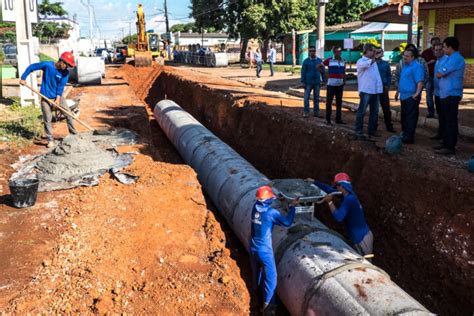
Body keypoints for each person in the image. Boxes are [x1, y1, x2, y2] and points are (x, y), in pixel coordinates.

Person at [250, 185, 299, 314]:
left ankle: (256, 297)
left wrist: (280, 200)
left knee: (257, 273)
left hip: (253, 247)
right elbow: (287, 222)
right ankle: (268, 308)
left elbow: (266, 202)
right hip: (264, 251)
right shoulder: (271, 213)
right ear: (268, 200)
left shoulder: (255, 207)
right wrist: (293, 207)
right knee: (271, 279)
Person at [19, 52, 76, 148]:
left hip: (57, 96)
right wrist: (23, 78)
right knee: (47, 118)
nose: (67, 67)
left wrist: (57, 99)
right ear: (61, 61)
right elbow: (31, 67)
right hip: (45, 97)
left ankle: (74, 135)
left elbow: (60, 86)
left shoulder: (65, 73)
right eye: (67, 65)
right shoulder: (47, 65)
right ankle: (50, 139)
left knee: (68, 114)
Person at [307, 173, 373, 256]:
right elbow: (329, 190)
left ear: (342, 186)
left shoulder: (349, 199)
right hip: (362, 236)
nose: (336, 188)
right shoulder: (346, 195)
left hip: (362, 239)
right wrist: (314, 182)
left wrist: (330, 202)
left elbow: (338, 217)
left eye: (337, 186)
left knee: (363, 265)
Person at [434, 37, 465, 155]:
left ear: (450, 47)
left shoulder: (456, 59)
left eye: (445, 47)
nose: (443, 49)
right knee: (446, 120)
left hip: (451, 93)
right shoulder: (449, 58)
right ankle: (446, 142)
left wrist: (441, 73)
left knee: (450, 121)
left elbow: (439, 73)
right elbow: (440, 73)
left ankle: (450, 146)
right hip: (445, 93)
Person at [395, 48, 424, 144]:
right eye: (404, 55)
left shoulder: (417, 67)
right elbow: (402, 80)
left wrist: (417, 93)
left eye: (407, 56)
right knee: (404, 117)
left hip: (411, 96)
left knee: (410, 117)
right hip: (403, 96)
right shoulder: (405, 66)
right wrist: (397, 91)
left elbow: (420, 81)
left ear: (413, 57)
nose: (404, 57)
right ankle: (405, 134)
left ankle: (409, 137)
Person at [355, 43, 383, 137]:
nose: (374, 52)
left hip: (375, 91)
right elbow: (368, 64)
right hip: (366, 90)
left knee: (374, 112)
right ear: (367, 51)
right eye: (372, 51)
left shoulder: (373, 61)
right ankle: (358, 130)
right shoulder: (361, 61)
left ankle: (371, 130)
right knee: (362, 111)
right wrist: (375, 57)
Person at [323, 46, 346, 125]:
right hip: (331, 85)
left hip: (340, 84)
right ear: (334, 52)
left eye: (340, 51)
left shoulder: (343, 60)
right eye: (337, 51)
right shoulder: (329, 60)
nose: (339, 53)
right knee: (329, 102)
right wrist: (325, 76)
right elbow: (319, 66)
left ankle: (338, 119)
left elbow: (344, 71)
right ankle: (328, 119)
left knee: (339, 103)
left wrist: (344, 80)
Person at [375, 47, 396, 133]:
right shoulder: (371, 63)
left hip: (383, 88)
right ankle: (374, 126)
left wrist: (387, 85)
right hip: (374, 89)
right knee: (375, 108)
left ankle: (389, 126)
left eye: (380, 52)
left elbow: (389, 75)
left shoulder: (385, 64)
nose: (379, 53)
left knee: (386, 108)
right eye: (377, 52)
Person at [301, 45, 325, 118]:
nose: (312, 52)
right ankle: (306, 112)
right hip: (308, 83)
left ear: (315, 51)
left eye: (313, 51)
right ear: (308, 52)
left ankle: (316, 112)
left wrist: (324, 80)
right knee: (306, 98)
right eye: (310, 51)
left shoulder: (319, 61)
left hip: (317, 82)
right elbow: (303, 72)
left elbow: (323, 71)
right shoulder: (306, 61)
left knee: (316, 98)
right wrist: (303, 82)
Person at [430, 43, 447, 141]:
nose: (438, 51)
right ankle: (440, 133)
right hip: (437, 92)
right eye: (436, 50)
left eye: (440, 49)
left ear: (443, 50)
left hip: (444, 93)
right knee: (440, 114)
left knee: (445, 115)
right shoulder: (437, 61)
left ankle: (444, 136)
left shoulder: (446, 60)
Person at [421, 37, 441, 118]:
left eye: (437, 42)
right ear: (431, 43)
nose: (435, 44)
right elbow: (421, 63)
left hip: (439, 78)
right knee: (429, 95)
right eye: (434, 42)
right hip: (429, 77)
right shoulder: (426, 52)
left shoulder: (442, 52)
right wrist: (429, 62)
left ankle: (439, 112)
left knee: (438, 95)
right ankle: (431, 112)